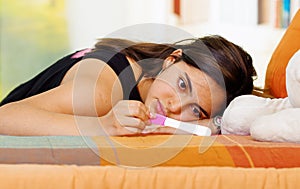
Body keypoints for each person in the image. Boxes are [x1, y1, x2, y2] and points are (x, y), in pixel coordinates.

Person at [0, 35, 256, 136]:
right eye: (181, 84)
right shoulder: (99, 93)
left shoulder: (151, 77)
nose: (174, 107)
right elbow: (4, 117)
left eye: (196, 110)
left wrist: (212, 123)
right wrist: (104, 125)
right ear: (171, 59)